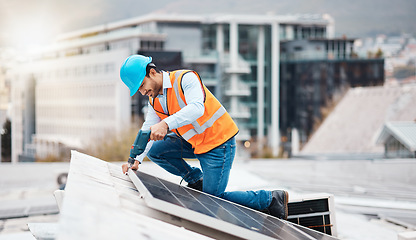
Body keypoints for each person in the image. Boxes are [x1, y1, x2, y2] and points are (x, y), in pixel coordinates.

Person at [120, 54, 288, 220]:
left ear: (153, 73)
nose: (143, 92)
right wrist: (135, 158)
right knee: (156, 151)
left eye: (142, 85)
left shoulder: (186, 79)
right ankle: (196, 180)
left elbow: (196, 108)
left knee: (212, 201)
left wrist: (165, 124)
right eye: (139, 90)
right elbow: (147, 130)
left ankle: (271, 199)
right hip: (195, 144)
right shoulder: (154, 100)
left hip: (218, 144)